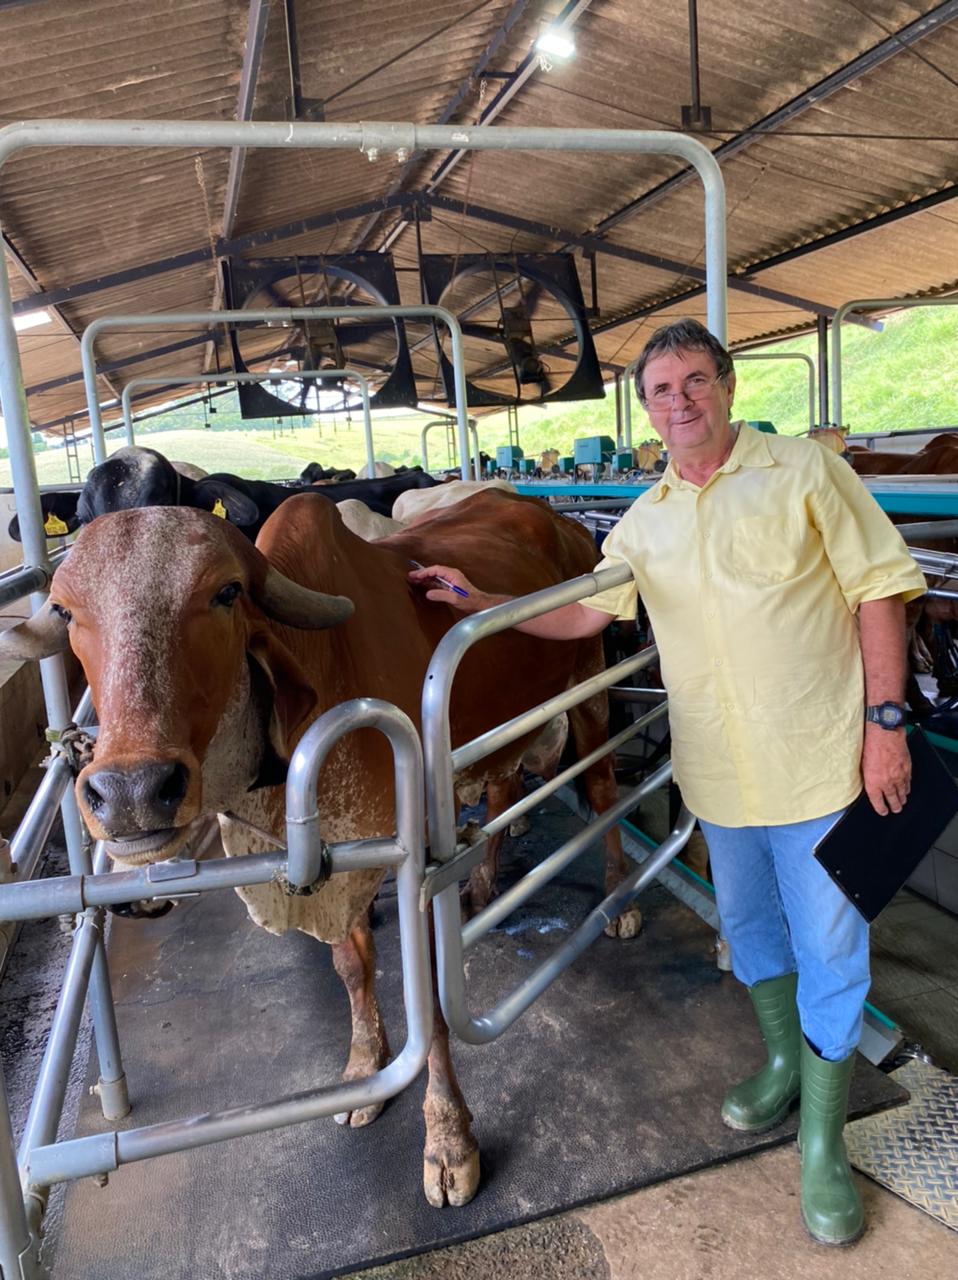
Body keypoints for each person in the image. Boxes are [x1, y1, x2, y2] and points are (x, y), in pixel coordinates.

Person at [409, 318, 927, 1247]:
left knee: (834, 948)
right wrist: (481, 604)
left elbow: (879, 590)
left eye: (694, 381)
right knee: (755, 932)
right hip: (720, 776)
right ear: (645, 410)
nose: (679, 400)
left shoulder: (804, 474)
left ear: (727, 388)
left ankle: (822, 1141)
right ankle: (779, 1063)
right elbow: (585, 618)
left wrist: (886, 726)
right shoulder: (646, 518)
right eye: (660, 390)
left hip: (819, 762)